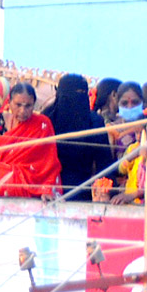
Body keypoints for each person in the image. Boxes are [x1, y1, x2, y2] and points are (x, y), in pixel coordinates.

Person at [0, 82, 62, 201]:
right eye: (18, 105)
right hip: (2, 190)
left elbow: (49, 163)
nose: (22, 111)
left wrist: (46, 189)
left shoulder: (43, 125)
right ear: (9, 103)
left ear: (34, 105)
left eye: (28, 106)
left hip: (34, 195)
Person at [40, 73, 109, 201]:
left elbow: (104, 162)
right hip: (47, 188)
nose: (75, 100)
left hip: (82, 189)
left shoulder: (94, 121)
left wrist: (104, 191)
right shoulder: (46, 119)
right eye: (71, 94)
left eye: (81, 93)